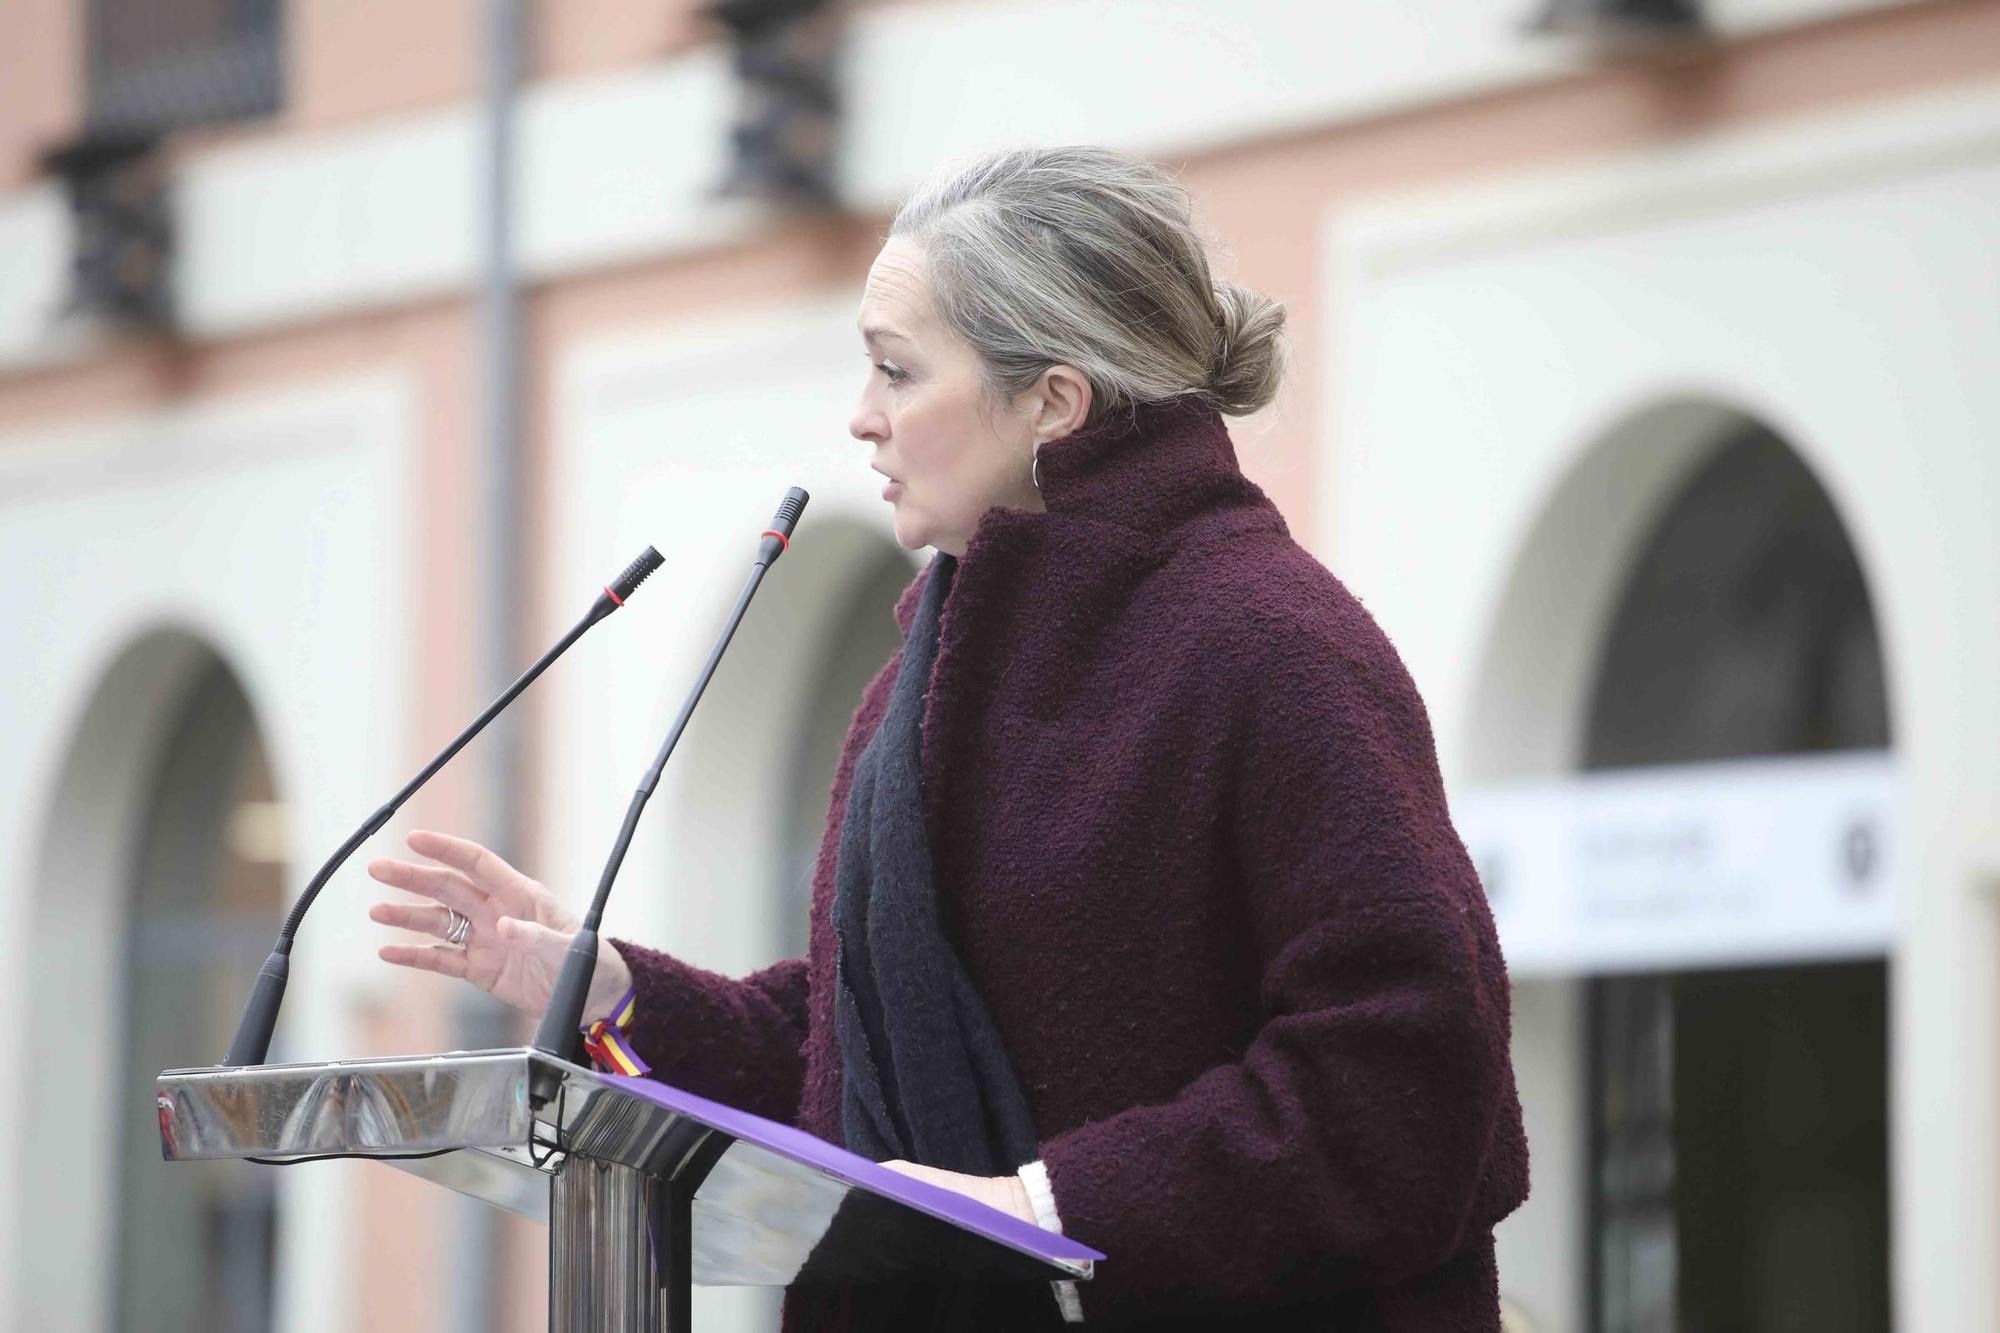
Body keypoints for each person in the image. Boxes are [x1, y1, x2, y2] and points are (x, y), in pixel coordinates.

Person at [367, 144, 1530, 1331]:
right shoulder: (914, 676)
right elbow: (862, 1057)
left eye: (895, 371)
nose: (859, 418)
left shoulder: (1270, 644)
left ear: (1052, 403)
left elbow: (1407, 1078)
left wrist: (1043, 1205)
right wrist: (609, 985)